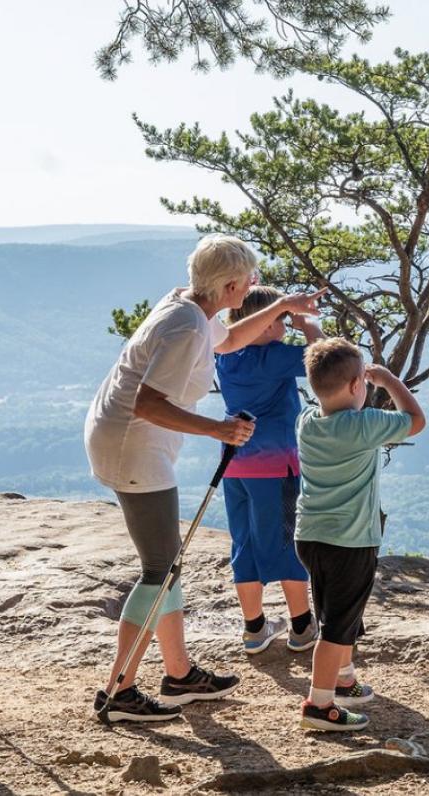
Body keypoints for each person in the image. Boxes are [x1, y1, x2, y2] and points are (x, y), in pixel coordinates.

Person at [84, 234, 325, 723]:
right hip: (135, 447)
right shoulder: (187, 330)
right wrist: (218, 428)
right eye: (252, 281)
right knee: (160, 569)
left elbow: (233, 339)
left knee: (165, 565)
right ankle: (119, 691)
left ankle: (178, 674)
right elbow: (148, 404)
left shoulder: (189, 307)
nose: (253, 286)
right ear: (232, 284)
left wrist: (279, 303)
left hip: (124, 440)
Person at [293, 339, 424, 731]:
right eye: (363, 383)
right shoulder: (362, 425)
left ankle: (344, 679)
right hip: (349, 541)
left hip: (310, 536)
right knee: (335, 626)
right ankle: (320, 706)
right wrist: (389, 380)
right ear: (356, 386)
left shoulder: (307, 421)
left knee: (337, 610)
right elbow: (415, 420)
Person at [215, 285, 323, 655]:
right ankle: (301, 626)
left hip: (235, 463)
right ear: (262, 325)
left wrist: (285, 316)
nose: (285, 327)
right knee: (287, 543)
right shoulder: (272, 357)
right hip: (277, 466)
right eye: (280, 321)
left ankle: (254, 628)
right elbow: (327, 359)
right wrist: (306, 321)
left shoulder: (225, 356)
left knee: (244, 543)